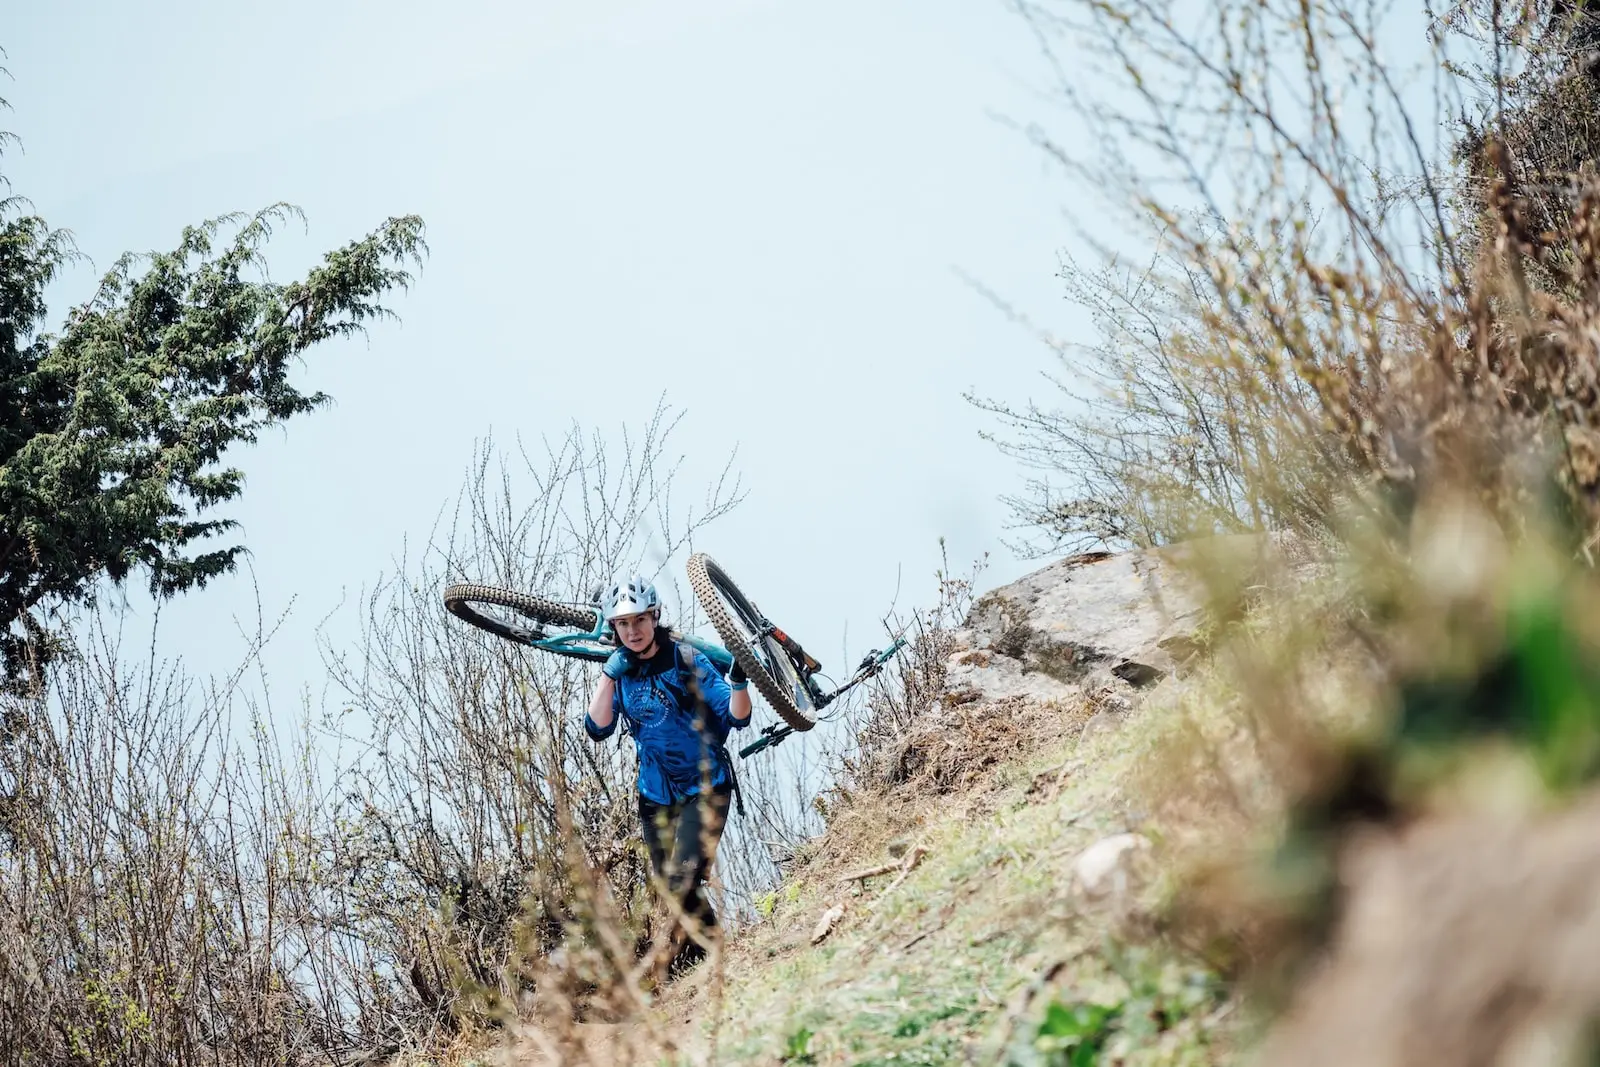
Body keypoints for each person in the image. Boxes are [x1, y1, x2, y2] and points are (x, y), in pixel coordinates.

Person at [584, 574, 752, 974]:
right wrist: (609, 675)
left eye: (640, 620)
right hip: (655, 794)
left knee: (683, 881)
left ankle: (717, 961)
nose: (633, 631)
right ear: (614, 628)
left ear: (654, 616)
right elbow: (596, 728)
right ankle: (703, 963)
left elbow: (736, 715)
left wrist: (742, 680)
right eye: (623, 624)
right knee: (669, 890)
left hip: (705, 787)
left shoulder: (686, 659)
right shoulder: (620, 672)